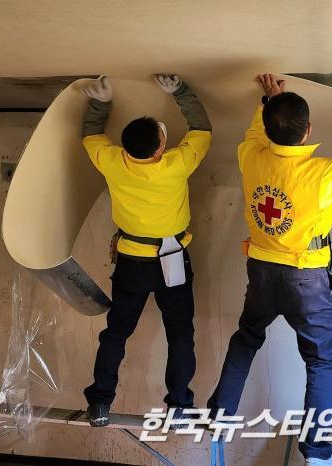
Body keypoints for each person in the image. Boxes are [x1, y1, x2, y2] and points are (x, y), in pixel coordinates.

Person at [207, 74, 332, 465]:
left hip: (261, 271)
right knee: (321, 361)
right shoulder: (322, 173)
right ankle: (318, 454)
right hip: (305, 280)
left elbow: (254, 134)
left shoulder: (251, 157)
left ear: (268, 128)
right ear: (308, 131)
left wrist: (268, 102)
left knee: (246, 339)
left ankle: (219, 417)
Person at [81, 74, 212, 427]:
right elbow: (201, 128)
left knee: (117, 331)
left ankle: (100, 403)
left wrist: (102, 102)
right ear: (159, 150)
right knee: (179, 333)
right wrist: (180, 91)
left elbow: (91, 134)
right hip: (172, 259)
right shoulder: (176, 165)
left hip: (131, 261)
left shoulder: (112, 161)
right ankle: (179, 406)